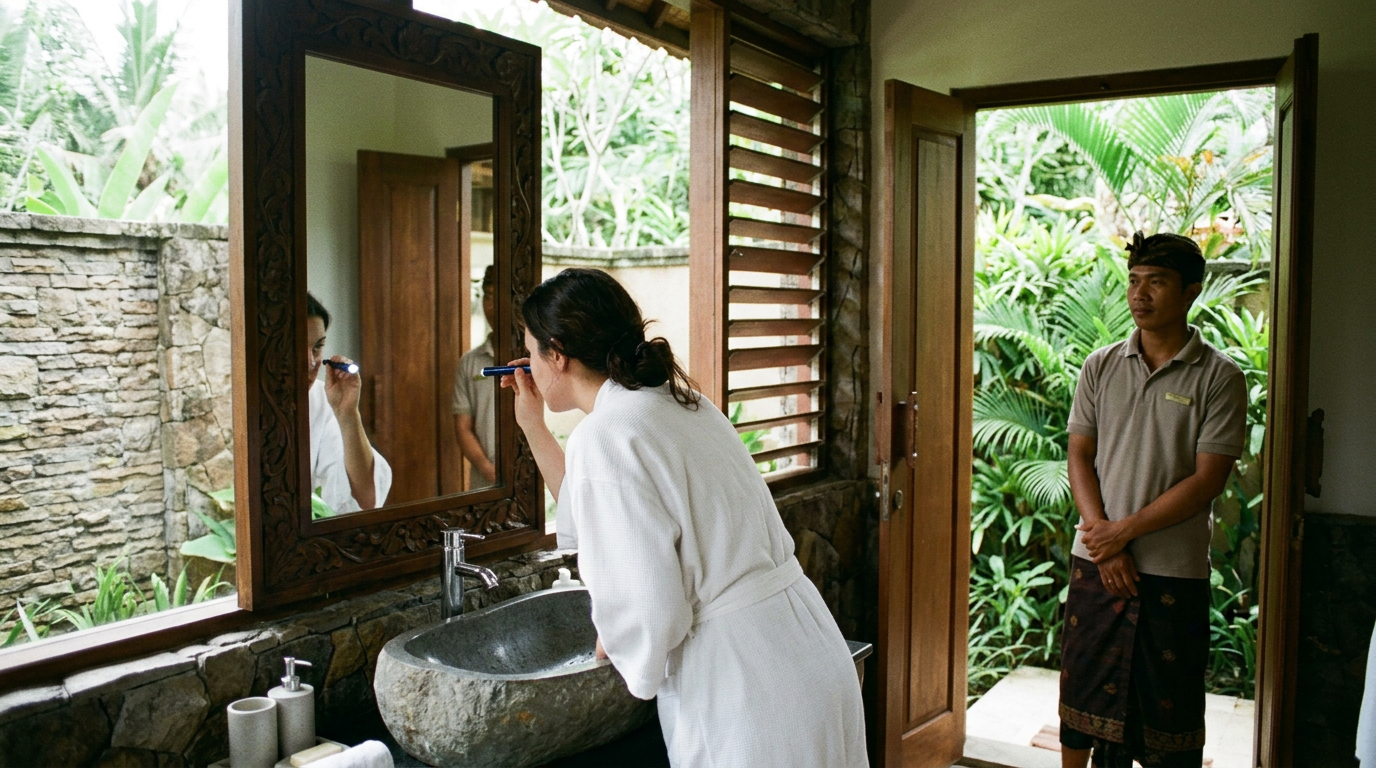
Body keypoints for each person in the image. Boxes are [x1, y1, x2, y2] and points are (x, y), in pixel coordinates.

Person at [501, 268, 867, 767]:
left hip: (744, 683)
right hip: (810, 651)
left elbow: (654, 610)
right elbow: (599, 515)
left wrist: (619, 635)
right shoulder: (681, 402)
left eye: (531, 348)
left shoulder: (607, 434)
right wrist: (532, 426)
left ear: (557, 354)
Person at [1058, 233, 1248, 768]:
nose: (1139, 295)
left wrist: (1125, 533)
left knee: (1169, 721)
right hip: (1095, 562)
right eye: (1134, 281)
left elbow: (1206, 481)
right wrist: (1104, 539)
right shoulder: (1100, 365)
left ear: (1190, 292)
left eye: (1157, 283)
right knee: (1080, 707)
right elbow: (1079, 455)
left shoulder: (1220, 377)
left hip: (1171, 572)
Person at [307, 292, 392, 515]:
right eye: (297, 347)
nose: (310, 362)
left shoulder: (321, 402)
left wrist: (347, 413)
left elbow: (365, 499)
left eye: (317, 347)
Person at [452, 265, 498, 488]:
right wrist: (486, 467)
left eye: (499, 296)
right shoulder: (470, 362)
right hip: (483, 482)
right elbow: (463, 427)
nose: (492, 306)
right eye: (488, 296)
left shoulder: (537, 357)